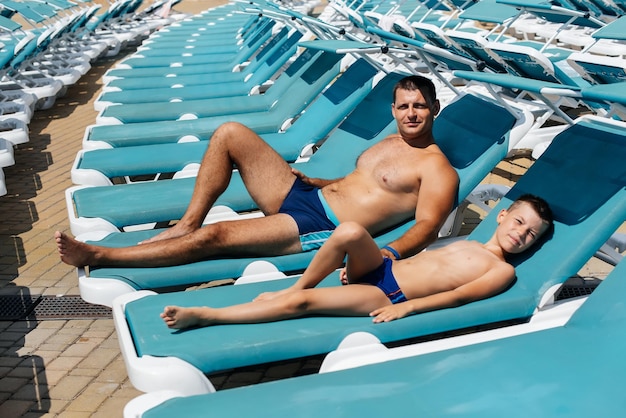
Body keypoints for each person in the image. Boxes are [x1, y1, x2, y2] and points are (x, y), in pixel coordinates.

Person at [55, 75, 459, 268]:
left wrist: (388, 254)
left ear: (434, 110)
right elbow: (366, 186)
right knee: (231, 133)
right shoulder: (389, 142)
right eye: (403, 106)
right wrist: (325, 182)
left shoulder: (437, 168)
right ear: (393, 110)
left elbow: (427, 225)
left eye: (419, 106)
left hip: (319, 226)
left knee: (217, 236)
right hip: (310, 195)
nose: (410, 113)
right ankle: (185, 222)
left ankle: (102, 255)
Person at [161, 194, 553, 328]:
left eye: (531, 234)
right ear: (502, 215)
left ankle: (208, 314)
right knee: (349, 230)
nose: (521, 234)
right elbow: (424, 261)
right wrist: (378, 257)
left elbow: (459, 297)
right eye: (519, 221)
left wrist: (409, 309)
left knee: (304, 306)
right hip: (381, 269)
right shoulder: (470, 239)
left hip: (388, 296)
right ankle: (295, 283)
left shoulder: (501, 271)